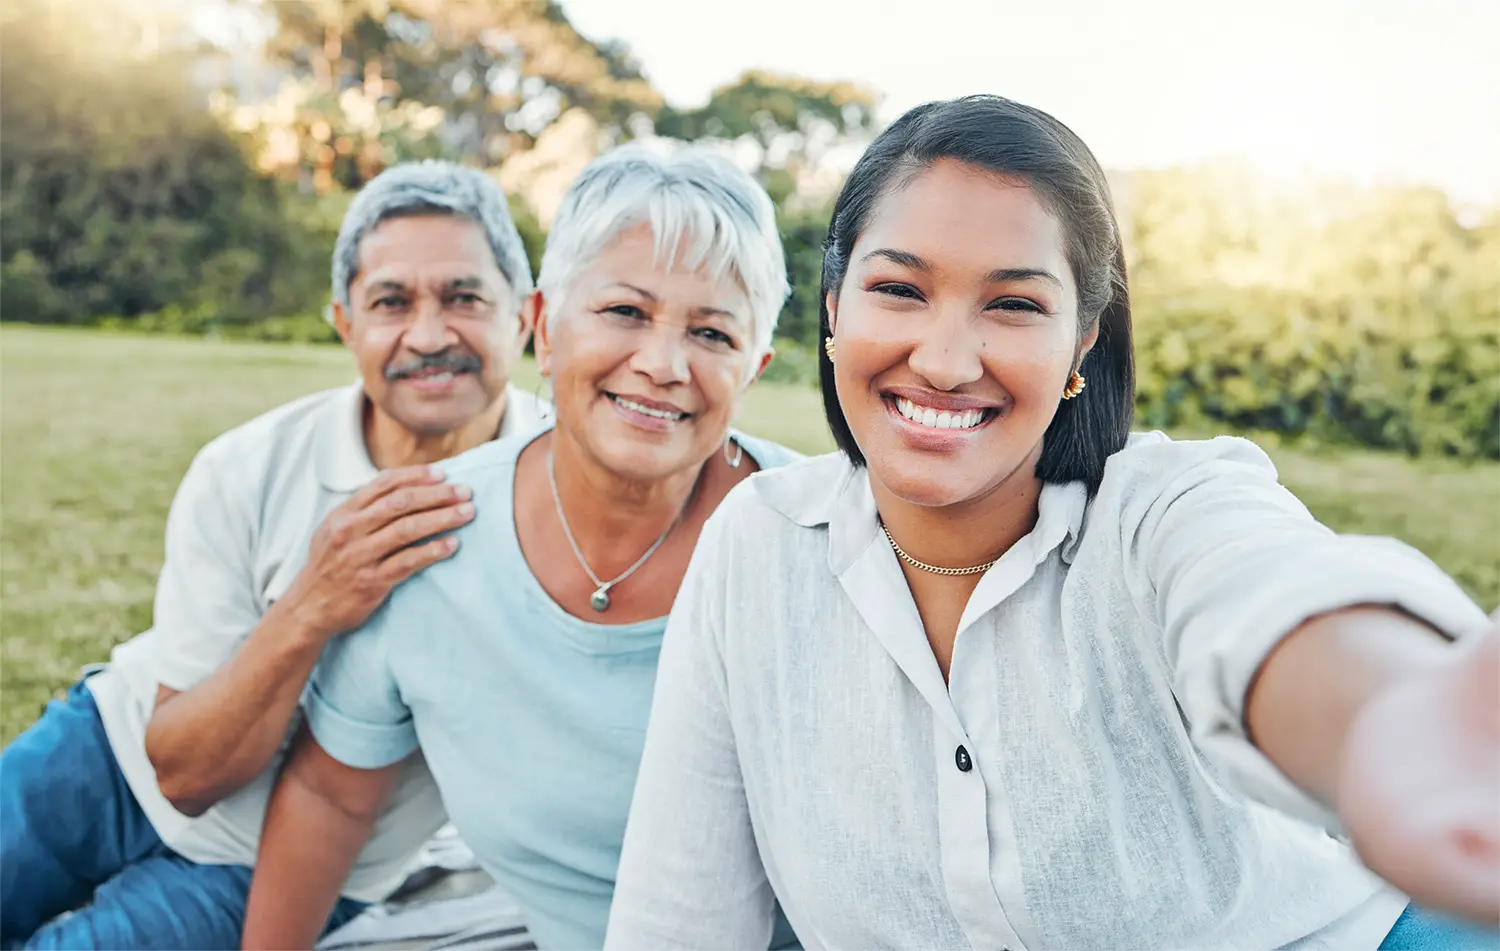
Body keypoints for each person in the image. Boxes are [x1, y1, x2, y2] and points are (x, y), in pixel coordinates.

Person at [603, 96, 1500, 950]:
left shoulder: (1161, 510)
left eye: (1015, 303)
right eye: (900, 289)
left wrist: (1399, 722)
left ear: (1083, 341)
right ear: (835, 310)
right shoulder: (754, 550)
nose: (947, 360)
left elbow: (1270, 596)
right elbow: (678, 918)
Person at [240, 146, 804, 951]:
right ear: (541, 325)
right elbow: (331, 799)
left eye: (711, 332)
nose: (662, 364)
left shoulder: (818, 540)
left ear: (754, 366)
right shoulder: (428, 532)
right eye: (624, 312)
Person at [0, 160, 544, 949]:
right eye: (391, 302)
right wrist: (314, 602)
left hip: (284, 869)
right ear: (344, 322)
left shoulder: (560, 495)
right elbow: (185, 774)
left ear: (525, 317)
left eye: (464, 298)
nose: (428, 336)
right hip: (110, 758)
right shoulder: (248, 466)